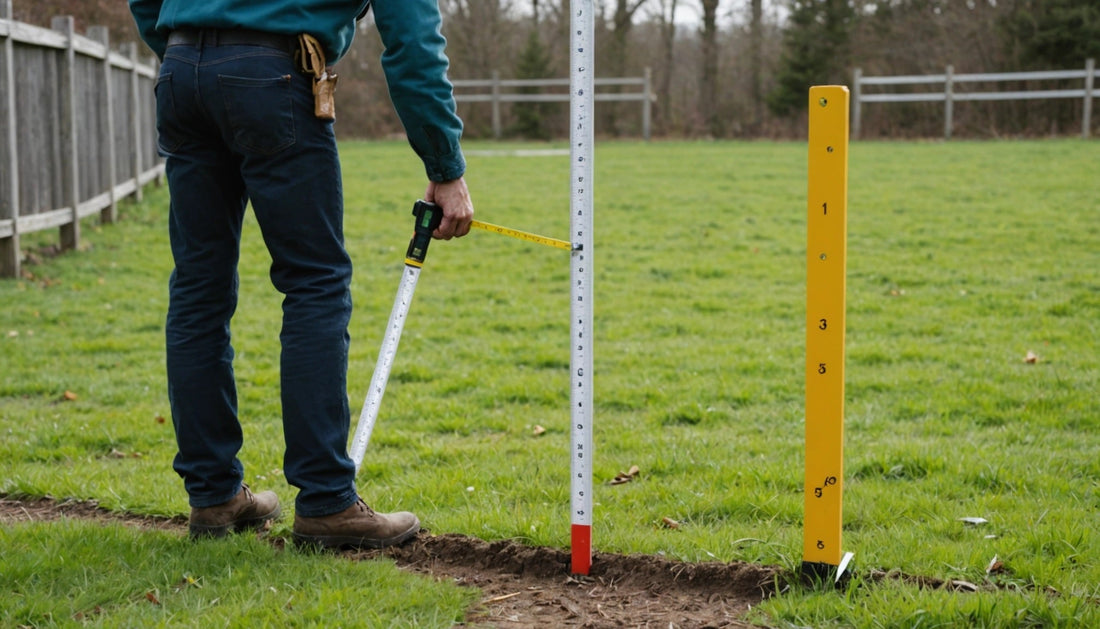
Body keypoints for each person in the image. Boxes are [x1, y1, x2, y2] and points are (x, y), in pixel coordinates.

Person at [127, 0, 474, 549]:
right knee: (315, 282)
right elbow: (412, 39)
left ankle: (214, 495)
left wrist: (190, 49)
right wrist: (444, 164)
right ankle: (327, 502)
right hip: (273, 74)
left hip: (180, 71)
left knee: (198, 289)